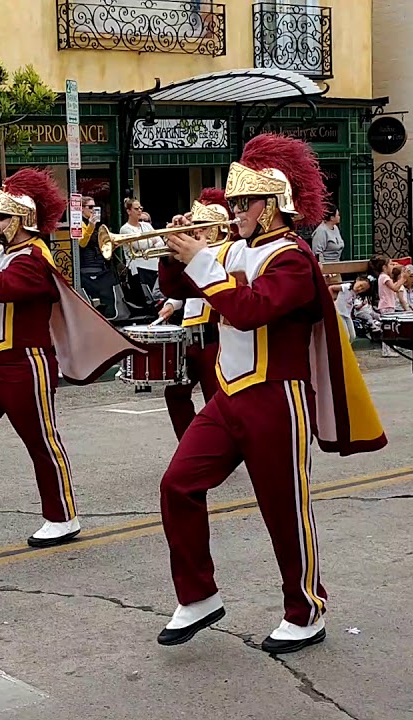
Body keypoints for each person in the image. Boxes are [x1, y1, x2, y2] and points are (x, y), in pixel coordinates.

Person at [153, 134, 386, 653]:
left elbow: (250, 309)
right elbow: (178, 289)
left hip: (277, 398)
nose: (234, 210)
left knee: (284, 509)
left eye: (243, 202)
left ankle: (306, 609)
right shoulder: (234, 247)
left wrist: (204, 262)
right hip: (230, 396)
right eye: (232, 202)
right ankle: (199, 596)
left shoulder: (294, 260)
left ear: (273, 204)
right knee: (177, 485)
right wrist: (176, 252)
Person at [0, 169, 140, 548]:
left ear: (24, 218)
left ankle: (62, 516)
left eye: (2, 216)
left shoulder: (36, 257)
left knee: (41, 441)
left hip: (27, 362)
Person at [158, 188, 230, 440]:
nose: (197, 229)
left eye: (203, 224)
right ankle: (191, 445)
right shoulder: (198, 254)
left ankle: (223, 450)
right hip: (190, 333)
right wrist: (172, 250)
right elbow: (181, 287)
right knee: (175, 392)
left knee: (217, 400)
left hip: (214, 335)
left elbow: (209, 283)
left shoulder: (226, 251)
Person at [77, 196, 116, 317]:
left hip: (100, 264)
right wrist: (91, 226)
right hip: (87, 264)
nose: (93, 210)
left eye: (95, 207)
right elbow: (82, 243)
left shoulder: (97, 225)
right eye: (90, 207)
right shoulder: (79, 223)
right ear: (81, 209)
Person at [120, 197, 161, 303]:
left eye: (140, 208)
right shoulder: (125, 229)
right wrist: (152, 242)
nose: (139, 211)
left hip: (153, 264)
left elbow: (160, 241)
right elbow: (140, 245)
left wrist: (149, 242)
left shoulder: (147, 225)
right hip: (137, 267)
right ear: (129, 211)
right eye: (136, 209)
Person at [331, 275, 372, 341]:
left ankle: (347, 348)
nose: (359, 289)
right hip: (339, 313)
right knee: (346, 335)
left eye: (362, 289)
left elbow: (354, 306)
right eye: (360, 285)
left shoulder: (355, 294)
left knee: (353, 336)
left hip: (347, 315)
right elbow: (331, 288)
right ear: (357, 280)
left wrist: (362, 304)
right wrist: (332, 301)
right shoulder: (347, 287)